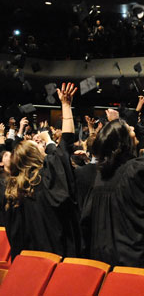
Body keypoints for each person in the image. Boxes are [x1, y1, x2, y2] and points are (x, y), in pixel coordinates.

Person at [80, 103, 144, 270]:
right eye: (129, 128)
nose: (132, 128)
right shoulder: (134, 170)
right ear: (122, 142)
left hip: (102, 262)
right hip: (133, 262)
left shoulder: (101, 177)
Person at [2, 83, 81, 259]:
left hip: (25, 262)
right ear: (33, 156)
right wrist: (66, 106)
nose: (41, 144)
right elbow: (66, 142)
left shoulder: (10, 188)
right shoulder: (47, 175)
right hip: (54, 258)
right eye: (37, 145)